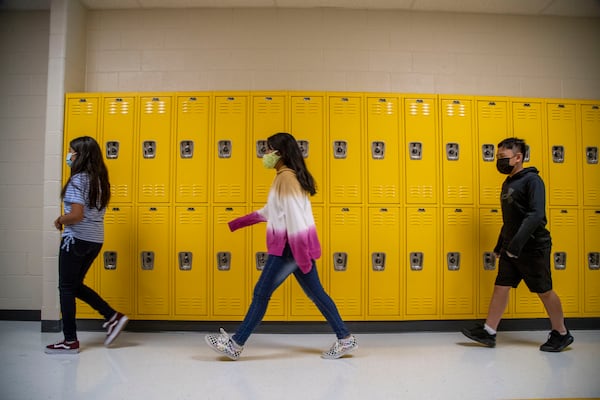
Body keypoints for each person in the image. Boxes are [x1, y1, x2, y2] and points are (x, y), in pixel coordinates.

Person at [205, 132, 357, 360]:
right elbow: (272, 211)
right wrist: (238, 223)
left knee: (261, 293)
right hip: (296, 249)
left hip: (289, 249)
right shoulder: (285, 177)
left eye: (268, 150)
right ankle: (345, 339)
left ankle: (235, 345)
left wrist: (301, 258)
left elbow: (295, 219)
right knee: (317, 295)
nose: (264, 154)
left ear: (280, 153)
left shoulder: (286, 179)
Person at [462, 137, 573, 352]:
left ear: (518, 157)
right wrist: (500, 245)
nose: (499, 161)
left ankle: (561, 333)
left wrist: (515, 246)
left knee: (544, 290)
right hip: (511, 246)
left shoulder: (532, 181)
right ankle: (489, 331)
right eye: (497, 157)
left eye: (503, 157)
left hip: (532, 247)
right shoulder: (509, 182)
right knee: (501, 287)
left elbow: (535, 215)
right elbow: (511, 219)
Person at [45, 136, 128, 354]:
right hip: (95, 240)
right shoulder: (99, 180)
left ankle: (70, 340)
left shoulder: (77, 180)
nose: (69, 155)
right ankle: (112, 316)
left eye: (72, 151)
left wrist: (60, 220)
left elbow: (77, 215)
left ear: (81, 155)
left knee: (66, 288)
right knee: (75, 285)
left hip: (76, 239)